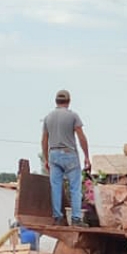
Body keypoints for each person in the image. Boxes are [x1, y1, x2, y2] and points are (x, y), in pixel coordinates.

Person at [42, 89, 91, 227]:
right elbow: (81, 137)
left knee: (56, 187)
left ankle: (57, 218)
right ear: (69, 101)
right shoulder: (73, 116)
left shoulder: (48, 117)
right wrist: (87, 156)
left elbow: (44, 140)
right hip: (69, 153)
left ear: (56, 101)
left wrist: (46, 159)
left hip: (53, 154)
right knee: (75, 188)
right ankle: (75, 219)